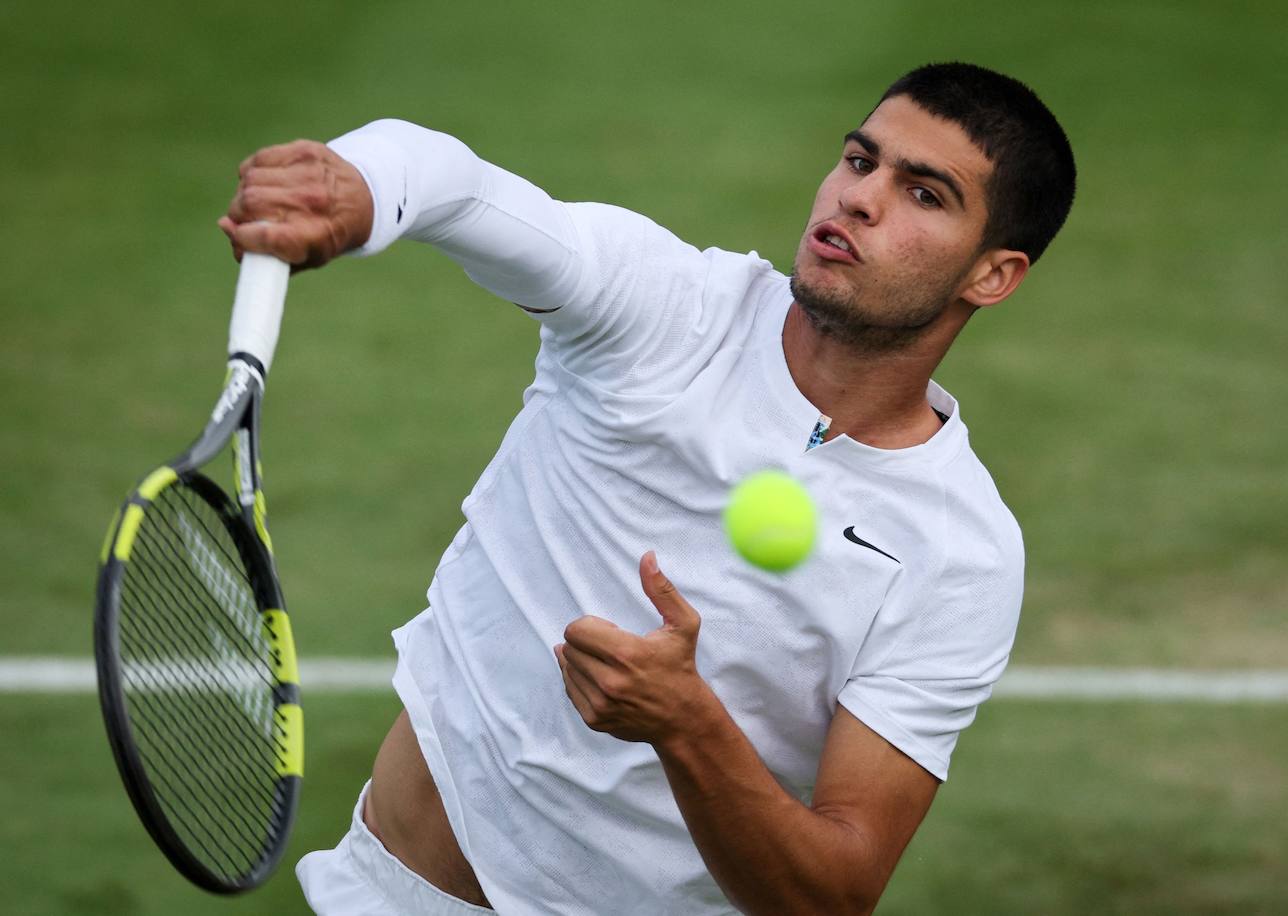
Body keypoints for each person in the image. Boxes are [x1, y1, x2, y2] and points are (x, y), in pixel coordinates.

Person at [219, 61, 1076, 915]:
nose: (860, 198)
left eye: (924, 194)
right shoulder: (664, 309)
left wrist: (687, 725)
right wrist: (363, 182)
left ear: (991, 275)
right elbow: (461, 189)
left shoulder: (961, 554)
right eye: (860, 161)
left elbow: (833, 895)